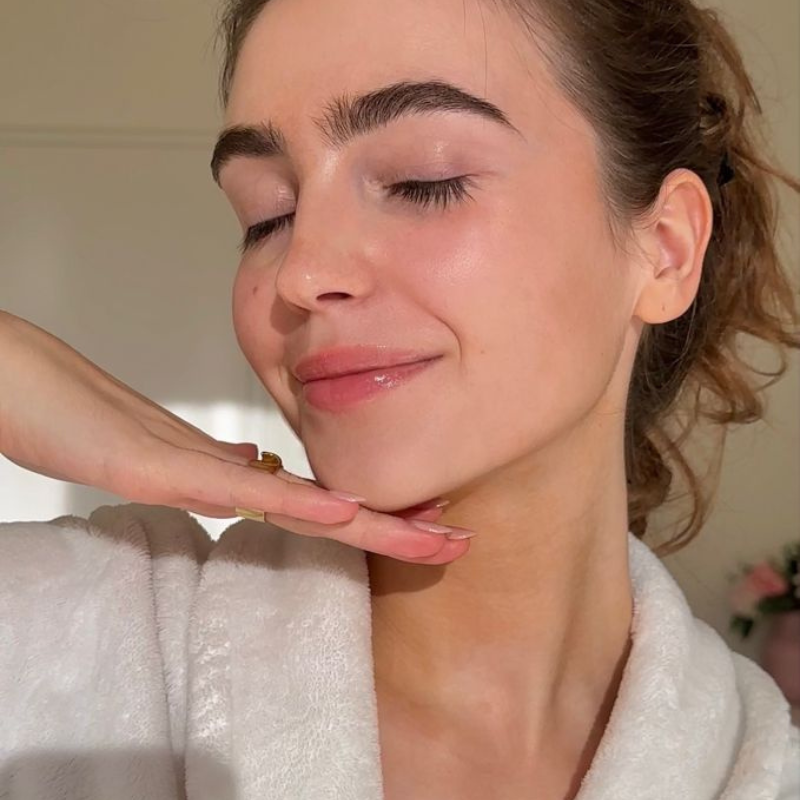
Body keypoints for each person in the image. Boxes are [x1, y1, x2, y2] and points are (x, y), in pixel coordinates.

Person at [1, 0, 799, 797]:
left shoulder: (759, 772)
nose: (302, 273)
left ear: (665, 249)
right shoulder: (67, 637)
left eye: (425, 182)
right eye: (267, 216)